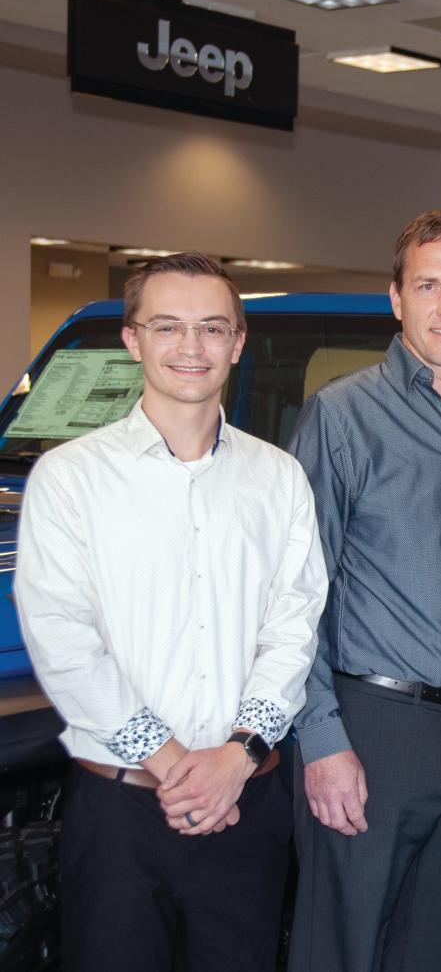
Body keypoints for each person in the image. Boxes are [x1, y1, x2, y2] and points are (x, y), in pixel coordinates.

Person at [14, 252, 328, 972]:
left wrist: (237, 754)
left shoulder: (278, 477)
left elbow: (294, 625)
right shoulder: (69, 480)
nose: (192, 347)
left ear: (238, 344)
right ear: (133, 340)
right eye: (169, 327)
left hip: (247, 806)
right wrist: (180, 764)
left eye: (212, 328)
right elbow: (64, 642)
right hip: (121, 814)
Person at [286, 210, 441, 972]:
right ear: (396, 298)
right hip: (375, 732)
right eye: (428, 285)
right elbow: (295, 596)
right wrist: (323, 743)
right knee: (344, 950)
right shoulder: (342, 416)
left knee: (436, 952)